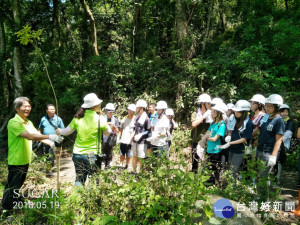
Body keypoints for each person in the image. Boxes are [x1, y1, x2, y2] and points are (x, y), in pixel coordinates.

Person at [2, 97, 62, 216]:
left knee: (17, 185)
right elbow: (30, 136)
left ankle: (15, 202)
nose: (28, 108)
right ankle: (6, 212)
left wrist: (51, 144)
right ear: (17, 108)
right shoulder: (13, 122)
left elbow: (36, 134)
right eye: (25, 106)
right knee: (11, 187)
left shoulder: (28, 122)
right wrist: (50, 136)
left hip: (25, 160)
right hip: (16, 160)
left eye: (29, 106)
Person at [56, 93, 114, 186]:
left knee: (79, 179)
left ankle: (78, 198)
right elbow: (108, 132)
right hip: (92, 155)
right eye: (98, 104)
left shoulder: (78, 118)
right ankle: (90, 200)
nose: (100, 105)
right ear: (94, 106)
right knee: (94, 180)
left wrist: (59, 131)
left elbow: (67, 131)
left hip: (77, 154)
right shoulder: (100, 118)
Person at [256, 94, 285, 198]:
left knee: (264, 176)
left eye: (270, 106)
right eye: (266, 106)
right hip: (259, 149)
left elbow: (279, 139)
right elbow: (260, 131)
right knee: (258, 175)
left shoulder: (279, 120)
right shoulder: (265, 117)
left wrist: (273, 156)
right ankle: (259, 196)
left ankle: (264, 198)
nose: (267, 108)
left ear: (277, 107)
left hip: (268, 151)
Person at [218, 100, 253, 179]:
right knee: (229, 167)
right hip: (232, 149)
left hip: (240, 150)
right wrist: (229, 135)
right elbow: (231, 129)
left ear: (244, 112)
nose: (236, 113)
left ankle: (232, 188)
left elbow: (244, 139)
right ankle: (228, 186)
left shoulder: (248, 123)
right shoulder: (235, 119)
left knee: (233, 170)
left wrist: (230, 143)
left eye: (239, 112)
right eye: (235, 111)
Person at [199, 102, 227, 183]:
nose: (212, 113)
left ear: (218, 112)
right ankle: (208, 184)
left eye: (213, 111)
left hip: (216, 151)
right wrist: (201, 142)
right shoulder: (213, 123)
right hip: (209, 149)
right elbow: (207, 132)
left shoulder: (221, 125)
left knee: (214, 169)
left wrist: (206, 138)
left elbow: (215, 139)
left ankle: (214, 185)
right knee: (208, 168)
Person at [38, 104, 65, 170]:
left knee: (52, 153)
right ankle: (48, 167)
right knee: (46, 153)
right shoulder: (43, 119)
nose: (52, 110)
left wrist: (60, 132)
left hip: (55, 139)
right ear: (47, 110)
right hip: (45, 139)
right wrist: (38, 136)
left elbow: (63, 129)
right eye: (50, 109)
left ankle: (50, 168)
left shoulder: (58, 119)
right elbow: (40, 128)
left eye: (53, 109)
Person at [191, 93, 212, 173]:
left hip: (207, 141)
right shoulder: (195, 113)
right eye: (208, 103)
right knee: (195, 161)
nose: (210, 105)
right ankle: (194, 176)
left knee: (207, 161)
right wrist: (203, 117)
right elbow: (193, 124)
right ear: (203, 104)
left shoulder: (211, 113)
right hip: (196, 140)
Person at [274, 104, 295, 184]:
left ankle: (277, 179)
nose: (284, 113)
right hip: (275, 143)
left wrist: (278, 140)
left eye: (286, 112)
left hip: (284, 144)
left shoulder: (290, 122)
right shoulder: (277, 120)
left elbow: (288, 135)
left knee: (278, 161)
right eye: (282, 112)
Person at [131, 99, 151, 173]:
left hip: (142, 141)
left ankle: (141, 172)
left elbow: (148, 130)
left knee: (141, 157)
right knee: (134, 155)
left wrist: (141, 134)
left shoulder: (146, 119)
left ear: (141, 108)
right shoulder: (136, 117)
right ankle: (134, 171)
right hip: (135, 140)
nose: (136, 109)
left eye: (137, 107)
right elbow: (134, 128)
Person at [102, 103, 120, 169]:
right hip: (102, 138)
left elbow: (118, 131)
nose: (110, 113)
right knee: (102, 153)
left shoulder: (115, 120)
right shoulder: (102, 118)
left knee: (109, 153)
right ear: (106, 111)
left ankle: (107, 166)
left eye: (111, 112)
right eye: (109, 111)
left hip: (110, 139)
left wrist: (114, 127)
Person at [118, 104, 136, 169]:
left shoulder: (135, 119)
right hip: (123, 139)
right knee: (121, 153)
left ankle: (127, 165)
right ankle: (121, 164)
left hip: (130, 141)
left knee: (128, 154)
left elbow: (135, 130)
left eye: (131, 110)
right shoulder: (125, 118)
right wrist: (118, 137)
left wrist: (130, 139)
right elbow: (121, 128)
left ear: (134, 111)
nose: (129, 112)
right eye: (129, 110)